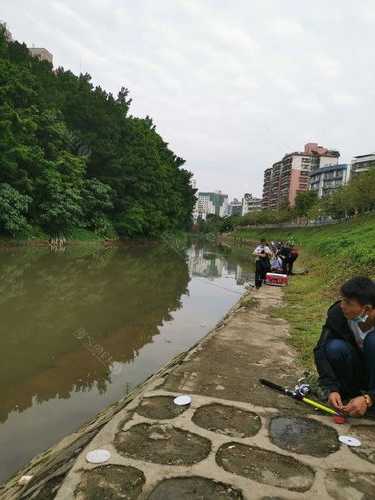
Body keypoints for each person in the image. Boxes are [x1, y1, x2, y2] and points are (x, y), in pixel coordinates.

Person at [314, 277, 375, 417]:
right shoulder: (338, 314)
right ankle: (349, 394)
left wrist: (370, 398)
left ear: (366, 309)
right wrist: (331, 387)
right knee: (334, 347)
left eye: (348, 303)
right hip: (358, 371)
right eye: (342, 299)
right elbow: (320, 350)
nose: (342, 305)